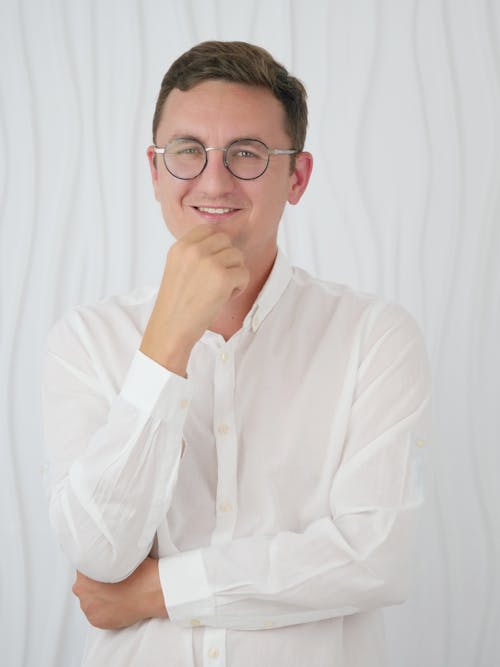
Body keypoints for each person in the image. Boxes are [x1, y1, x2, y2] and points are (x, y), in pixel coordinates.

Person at [42, 40, 431, 667]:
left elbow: (374, 557)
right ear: (155, 169)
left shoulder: (374, 337)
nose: (214, 180)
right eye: (188, 152)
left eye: (247, 154)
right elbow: (100, 551)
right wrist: (166, 342)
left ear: (296, 177)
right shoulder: (85, 341)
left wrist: (154, 593)